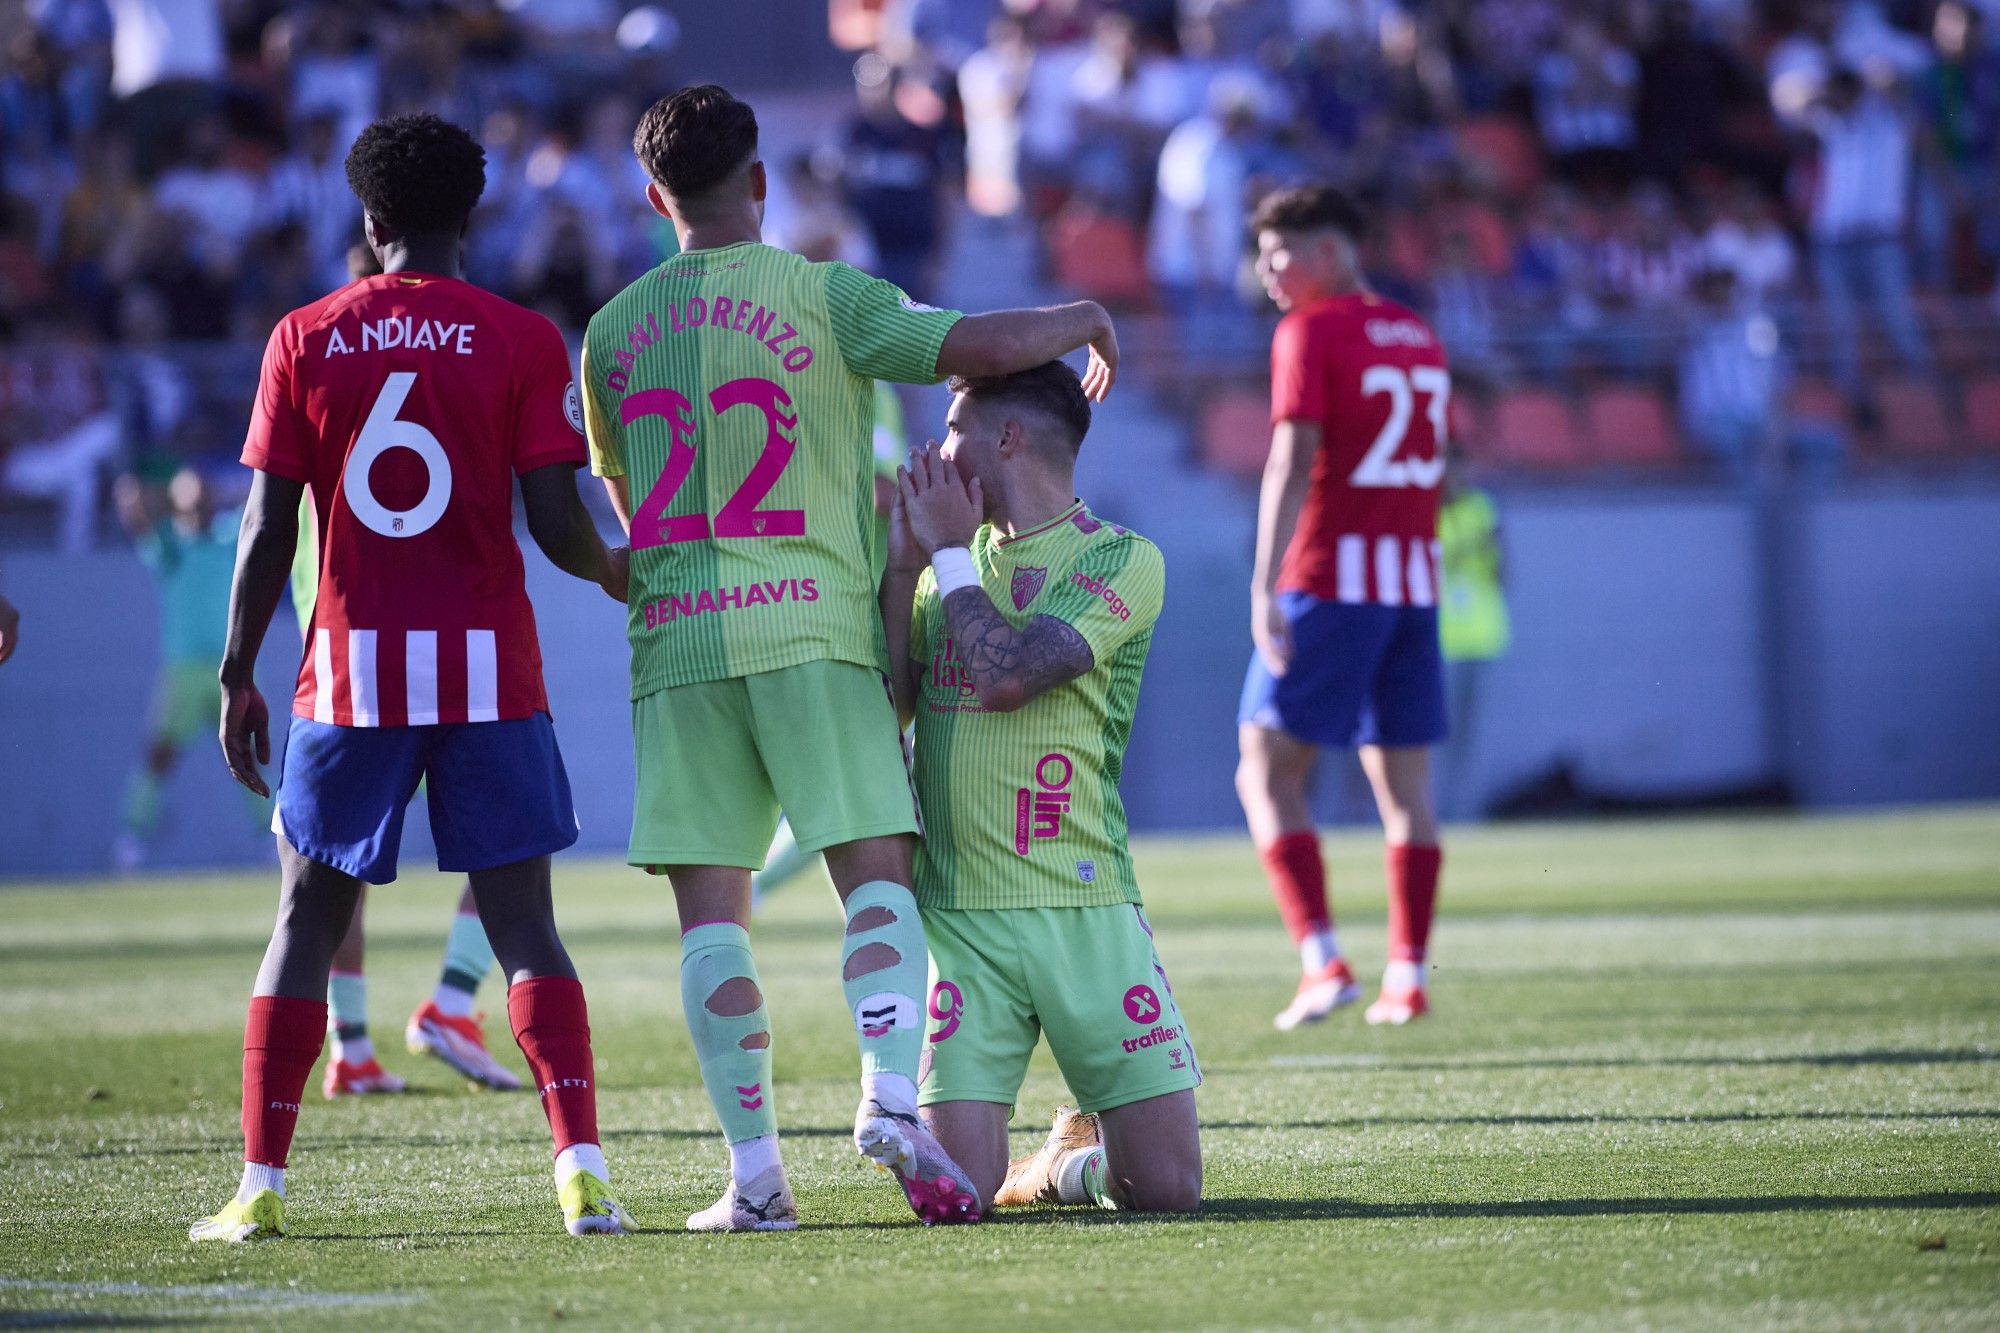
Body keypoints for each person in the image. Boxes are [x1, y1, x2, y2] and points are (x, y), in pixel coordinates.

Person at [581, 84, 1118, 1232]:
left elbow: (629, 508)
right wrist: (1078, 317)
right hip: (814, 630)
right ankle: (884, 1097)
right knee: (872, 879)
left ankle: (755, 1178)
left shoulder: (613, 332)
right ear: (761, 181)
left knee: (712, 921)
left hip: (677, 646)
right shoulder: (829, 296)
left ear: (651, 195)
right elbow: (972, 347)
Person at [191, 112, 634, 1243]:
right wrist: (619, 572)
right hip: (491, 672)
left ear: (371, 220)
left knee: (304, 917)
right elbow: (551, 519)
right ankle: (579, 1172)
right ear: (468, 221)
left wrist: (239, 668)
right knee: (527, 925)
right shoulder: (524, 339)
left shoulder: (302, 336)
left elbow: (263, 524)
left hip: (347, 678)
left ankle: (260, 1189)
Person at [883, 364, 1201, 1214]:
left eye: (955, 431)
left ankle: (1070, 1164)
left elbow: (1008, 676)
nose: (940, 453)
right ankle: (1056, 1162)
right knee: (955, 1195)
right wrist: (900, 561)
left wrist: (946, 553)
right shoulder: (943, 570)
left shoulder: (1123, 559)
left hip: (1084, 905)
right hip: (963, 919)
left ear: (1007, 439)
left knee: (1167, 1190)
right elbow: (890, 707)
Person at [1234, 185, 1449, 1033]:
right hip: (1412, 582)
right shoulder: (1419, 333)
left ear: (1328, 250)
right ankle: (1409, 974)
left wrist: (1263, 584)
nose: (1267, 271)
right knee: (1405, 787)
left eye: (1279, 252)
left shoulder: (1311, 330)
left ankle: (1322, 959)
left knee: (1263, 762)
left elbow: (1291, 458)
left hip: (1331, 577)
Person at [111, 466, 267, 873]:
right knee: (159, 755)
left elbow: (260, 507)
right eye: (188, 496)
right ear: (177, 503)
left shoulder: (227, 537)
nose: (196, 502)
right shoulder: (169, 547)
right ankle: (132, 836)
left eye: (201, 495)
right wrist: (131, 496)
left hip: (229, 669)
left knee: (244, 754)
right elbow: (138, 517)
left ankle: (273, 839)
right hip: (182, 673)